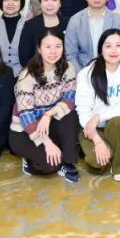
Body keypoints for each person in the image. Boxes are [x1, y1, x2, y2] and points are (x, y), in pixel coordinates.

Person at [10, 28, 80, 180]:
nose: (53, 51)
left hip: (49, 123)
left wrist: (48, 115)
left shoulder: (68, 68)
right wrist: (47, 143)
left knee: (71, 115)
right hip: (25, 129)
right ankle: (29, 160)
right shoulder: (26, 76)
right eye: (48, 47)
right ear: (39, 49)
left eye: (58, 46)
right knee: (50, 166)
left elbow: (70, 99)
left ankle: (68, 162)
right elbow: (26, 116)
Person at [76, 30, 120, 182]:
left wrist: (98, 117)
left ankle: (119, 165)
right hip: (91, 128)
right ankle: (115, 151)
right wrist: (97, 141)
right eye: (108, 46)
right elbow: (82, 109)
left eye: (118, 45)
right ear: (101, 49)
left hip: (119, 126)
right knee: (97, 164)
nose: (113, 50)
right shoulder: (86, 73)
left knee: (117, 122)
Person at [64, 0, 120, 70]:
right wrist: (81, 74)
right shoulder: (75, 20)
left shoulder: (118, 21)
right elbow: (71, 54)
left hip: (111, 70)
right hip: (83, 70)